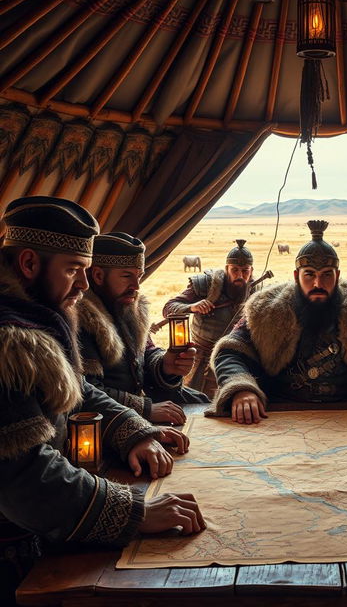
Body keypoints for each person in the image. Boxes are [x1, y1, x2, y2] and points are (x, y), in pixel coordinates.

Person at [0, 197, 205, 602]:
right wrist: (134, 511)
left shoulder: (35, 316)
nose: (83, 283)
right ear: (28, 264)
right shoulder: (10, 341)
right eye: (74, 269)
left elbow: (74, 390)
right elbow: (23, 478)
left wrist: (134, 431)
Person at [210, 220, 347, 423]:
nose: (318, 283)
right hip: (280, 413)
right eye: (309, 274)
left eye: (326, 275)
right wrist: (242, 389)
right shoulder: (266, 309)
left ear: (337, 276)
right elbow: (230, 350)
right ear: (296, 276)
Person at [78, 232, 209, 425]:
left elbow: (146, 353)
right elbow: (87, 390)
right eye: (126, 276)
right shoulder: (82, 320)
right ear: (98, 275)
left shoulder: (129, 308)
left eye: (139, 276)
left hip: (139, 407)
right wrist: (144, 409)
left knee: (204, 405)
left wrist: (165, 365)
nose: (136, 286)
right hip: (108, 421)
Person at [162, 239, 254, 397]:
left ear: (251, 271)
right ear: (227, 269)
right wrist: (192, 307)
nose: (240, 275)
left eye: (245, 271)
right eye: (235, 270)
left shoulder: (256, 290)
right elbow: (169, 308)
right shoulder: (206, 285)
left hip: (237, 360)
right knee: (196, 403)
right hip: (200, 359)